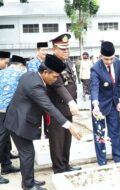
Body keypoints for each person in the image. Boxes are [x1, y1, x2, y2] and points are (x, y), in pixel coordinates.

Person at [4, 54, 82, 190]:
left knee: (28, 153)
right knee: (27, 153)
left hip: (18, 118)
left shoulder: (31, 75)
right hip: (19, 123)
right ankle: (28, 185)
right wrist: (70, 126)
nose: (56, 79)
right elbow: (50, 107)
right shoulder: (35, 86)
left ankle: (30, 180)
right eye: (55, 76)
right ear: (45, 72)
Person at [46, 33, 81, 174]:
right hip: (57, 108)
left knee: (67, 140)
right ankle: (59, 169)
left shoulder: (68, 63)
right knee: (57, 141)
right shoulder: (51, 64)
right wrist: (71, 103)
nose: (66, 51)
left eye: (67, 49)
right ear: (54, 49)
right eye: (62, 49)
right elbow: (58, 85)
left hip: (67, 109)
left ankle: (66, 164)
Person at [90, 41, 120, 166]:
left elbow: (118, 83)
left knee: (115, 132)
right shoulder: (95, 68)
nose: (109, 61)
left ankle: (119, 160)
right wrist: (95, 105)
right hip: (99, 105)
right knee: (100, 134)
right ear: (101, 56)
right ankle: (102, 162)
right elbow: (94, 87)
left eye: (111, 58)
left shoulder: (118, 63)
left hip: (114, 104)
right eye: (106, 59)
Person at [0, 54, 24, 185]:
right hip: (8, 111)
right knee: (1, 140)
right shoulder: (20, 73)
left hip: (1, 110)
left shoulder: (2, 72)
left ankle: (6, 165)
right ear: (21, 66)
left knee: (4, 139)